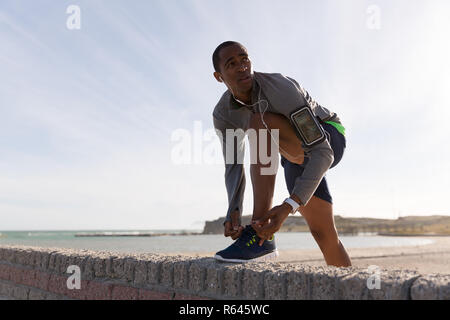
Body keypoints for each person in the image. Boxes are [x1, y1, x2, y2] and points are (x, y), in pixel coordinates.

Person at [211, 41, 352, 267]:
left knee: (259, 120)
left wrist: (289, 205)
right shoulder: (223, 114)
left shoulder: (280, 88)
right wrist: (233, 210)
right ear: (219, 77)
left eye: (244, 59)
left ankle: (258, 234)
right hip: (292, 155)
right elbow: (233, 165)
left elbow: (323, 152)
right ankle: (348, 287)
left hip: (326, 136)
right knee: (324, 234)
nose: (242, 67)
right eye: (232, 64)